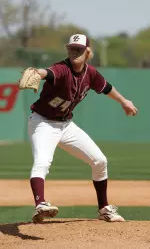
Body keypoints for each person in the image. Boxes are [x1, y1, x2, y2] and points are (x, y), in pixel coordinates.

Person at [26, 34, 138, 223]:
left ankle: (103, 208)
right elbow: (48, 72)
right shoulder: (62, 69)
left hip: (66, 125)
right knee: (42, 162)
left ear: (87, 52)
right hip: (43, 123)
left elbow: (107, 88)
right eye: (71, 48)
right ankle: (41, 204)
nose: (74, 52)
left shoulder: (91, 73)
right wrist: (37, 72)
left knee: (100, 161)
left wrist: (124, 101)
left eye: (79, 49)